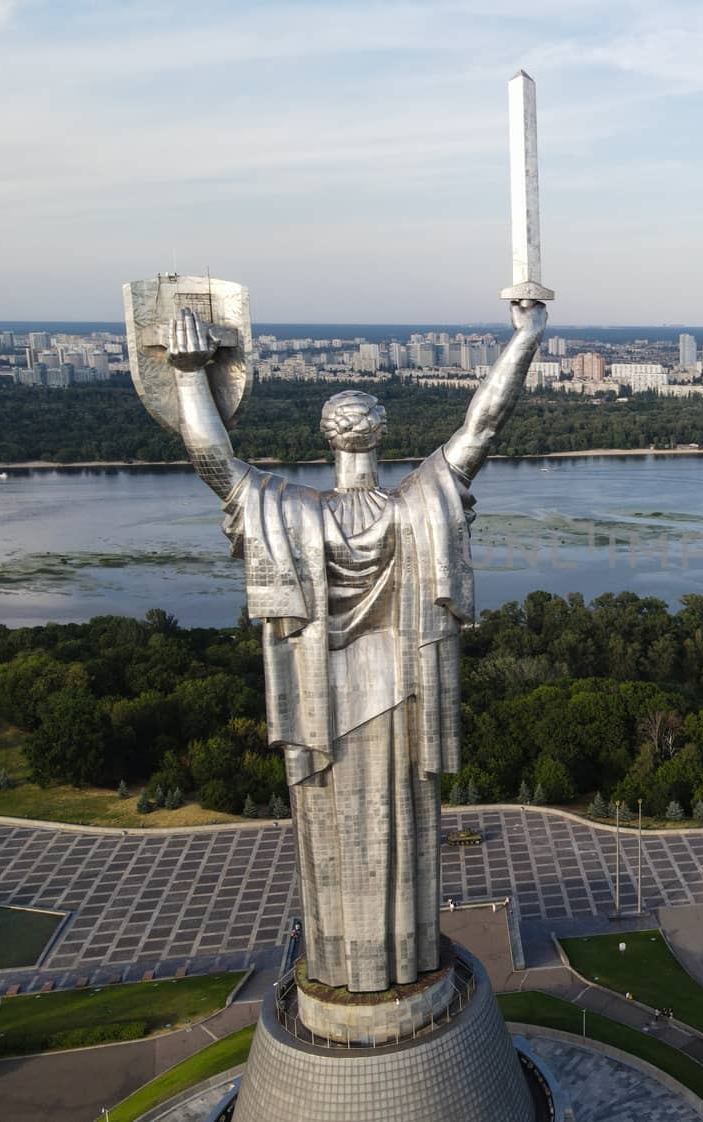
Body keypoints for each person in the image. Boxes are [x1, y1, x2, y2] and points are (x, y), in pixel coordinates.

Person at [161, 300, 546, 992]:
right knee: (403, 824)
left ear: (328, 437)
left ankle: (342, 968)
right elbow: (483, 423)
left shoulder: (287, 513)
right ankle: (405, 963)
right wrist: (527, 338)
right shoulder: (417, 506)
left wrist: (190, 375)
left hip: (323, 704)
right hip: (400, 690)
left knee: (333, 835)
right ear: (380, 432)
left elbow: (212, 459)